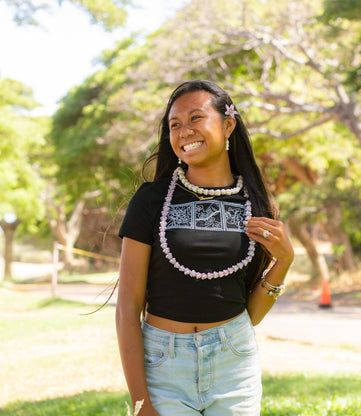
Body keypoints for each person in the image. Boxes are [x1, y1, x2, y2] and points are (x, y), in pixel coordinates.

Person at [116, 80, 294, 416]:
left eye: (196, 118)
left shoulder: (256, 204)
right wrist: (140, 402)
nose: (184, 132)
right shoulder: (151, 199)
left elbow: (249, 314)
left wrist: (283, 262)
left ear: (228, 125)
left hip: (233, 362)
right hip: (163, 365)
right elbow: (128, 308)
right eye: (175, 124)